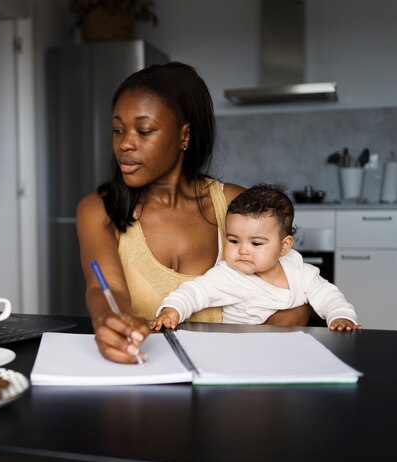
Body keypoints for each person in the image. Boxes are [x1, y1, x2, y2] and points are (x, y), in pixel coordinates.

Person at [76, 62, 310, 367]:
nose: (125, 143)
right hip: (146, 374)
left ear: (184, 136)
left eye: (144, 130)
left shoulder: (234, 204)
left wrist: (256, 362)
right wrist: (110, 319)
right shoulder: (99, 209)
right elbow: (106, 289)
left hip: (233, 380)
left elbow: (293, 301)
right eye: (118, 130)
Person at [152, 184, 361, 331]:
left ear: (284, 246)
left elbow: (327, 295)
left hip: (289, 349)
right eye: (233, 241)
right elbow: (195, 292)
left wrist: (340, 317)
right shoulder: (228, 275)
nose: (243, 250)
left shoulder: (299, 271)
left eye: (256, 243)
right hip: (241, 351)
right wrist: (172, 310)